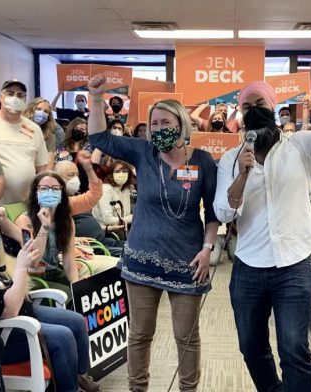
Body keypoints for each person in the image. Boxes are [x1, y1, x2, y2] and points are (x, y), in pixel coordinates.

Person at [214, 63, 311, 392]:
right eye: (247, 108)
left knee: (294, 349)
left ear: (274, 108)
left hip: (294, 264)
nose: (254, 112)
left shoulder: (302, 146)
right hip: (249, 266)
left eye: (261, 105)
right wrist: (242, 174)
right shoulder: (231, 159)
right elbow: (224, 213)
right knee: (251, 348)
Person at [88, 73, 219, 391]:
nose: (159, 128)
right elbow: (100, 140)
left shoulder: (202, 161)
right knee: (140, 334)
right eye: (155, 123)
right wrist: (95, 98)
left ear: (182, 124)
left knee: (186, 337)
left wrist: (207, 248)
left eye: (165, 122)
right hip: (141, 260)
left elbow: (214, 214)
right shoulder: (143, 152)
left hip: (187, 262)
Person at [0, 209, 103, 392]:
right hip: (3, 334)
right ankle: (70, 388)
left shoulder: (0, 261)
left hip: (23, 314)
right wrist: (21, 268)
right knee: (62, 336)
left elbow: (28, 269)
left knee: (76, 320)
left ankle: (79, 376)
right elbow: (8, 311)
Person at [0, 80, 50, 204]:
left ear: (25, 100)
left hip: (24, 204)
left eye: (20, 95)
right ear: (1, 97)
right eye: (10, 93)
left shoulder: (34, 129)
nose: (15, 97)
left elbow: (42, 168)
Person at [15, 172, 79, 292]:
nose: (50, 192)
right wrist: (44, 227)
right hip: (32, 278)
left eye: (55, 189)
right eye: (44, 189)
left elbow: (69, 259)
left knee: (83, 294)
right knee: (68, 297)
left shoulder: (67, 221)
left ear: (61, 193)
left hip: (54, 272)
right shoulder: (24, 220)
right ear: (36, 192)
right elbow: (34, 262)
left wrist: (76, 286)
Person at [92, 160, 135, 236]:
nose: (121, 174)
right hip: (105, 232)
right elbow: (107, 219)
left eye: (124, 171)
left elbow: (126, 213)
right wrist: (130, 219)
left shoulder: (126, 189)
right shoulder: (105, 189)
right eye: (117, 171)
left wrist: (128, 218)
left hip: (121, 229)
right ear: (111, 174)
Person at [24, 98, 60, 169]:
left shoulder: (50, 137)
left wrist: (43, 178)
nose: (42, 113)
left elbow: (49, 163)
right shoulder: (20, 129)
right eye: (38, 109)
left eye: (46, 111)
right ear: (31, 110)